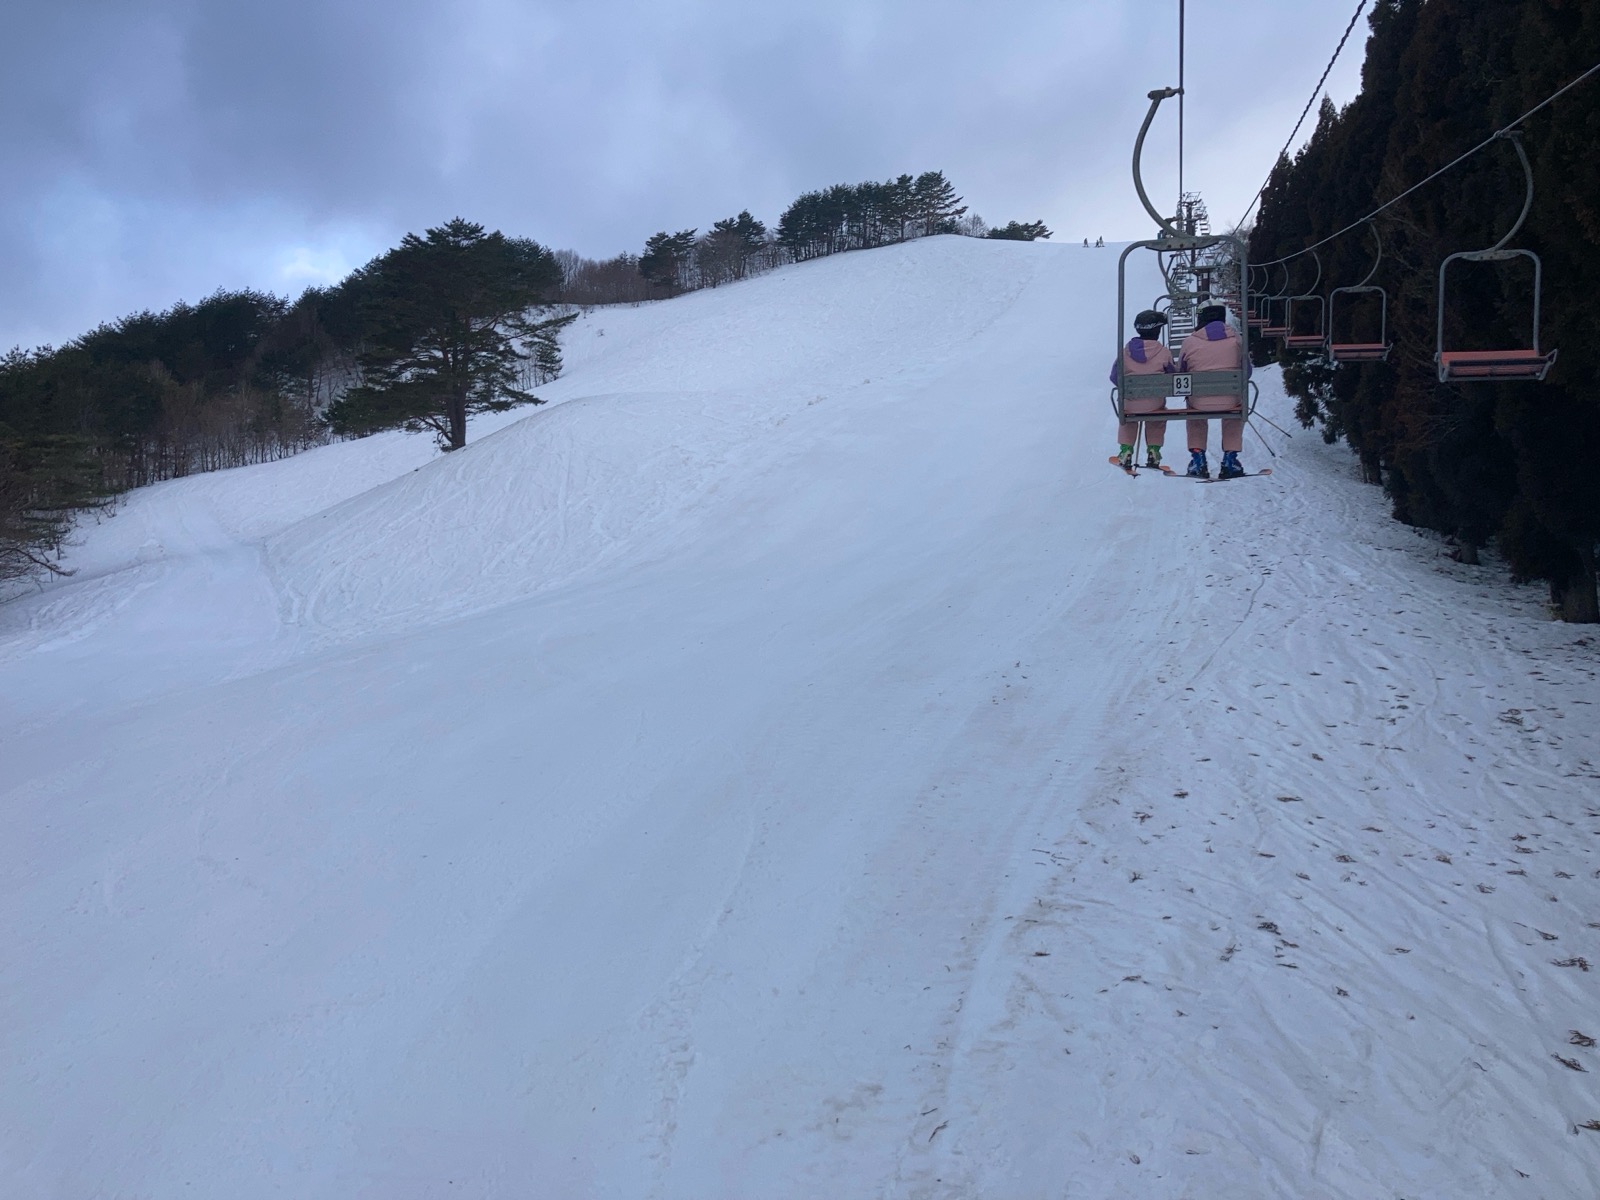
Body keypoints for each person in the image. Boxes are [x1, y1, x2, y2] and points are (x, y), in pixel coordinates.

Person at [1178, 300, 1250, 478]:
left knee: (1194, 411)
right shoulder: (1237, 339)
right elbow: (1247, 371)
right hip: (1230, 399)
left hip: (1199, 401)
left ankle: (1198, 458)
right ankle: (1230, 458)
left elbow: (1181, 372)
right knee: (1235, 408)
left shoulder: (1189, 342)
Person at [1109, 309, 1176, 469]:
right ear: (1158, 331)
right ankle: (1154, 451)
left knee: (1128, 417)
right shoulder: (1163, 352)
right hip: (1154, 404)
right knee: (1157, 418)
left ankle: (1126, 450)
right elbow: (1172, 376)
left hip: (1131, 403)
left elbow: (1114, 376)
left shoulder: (1125, 352)